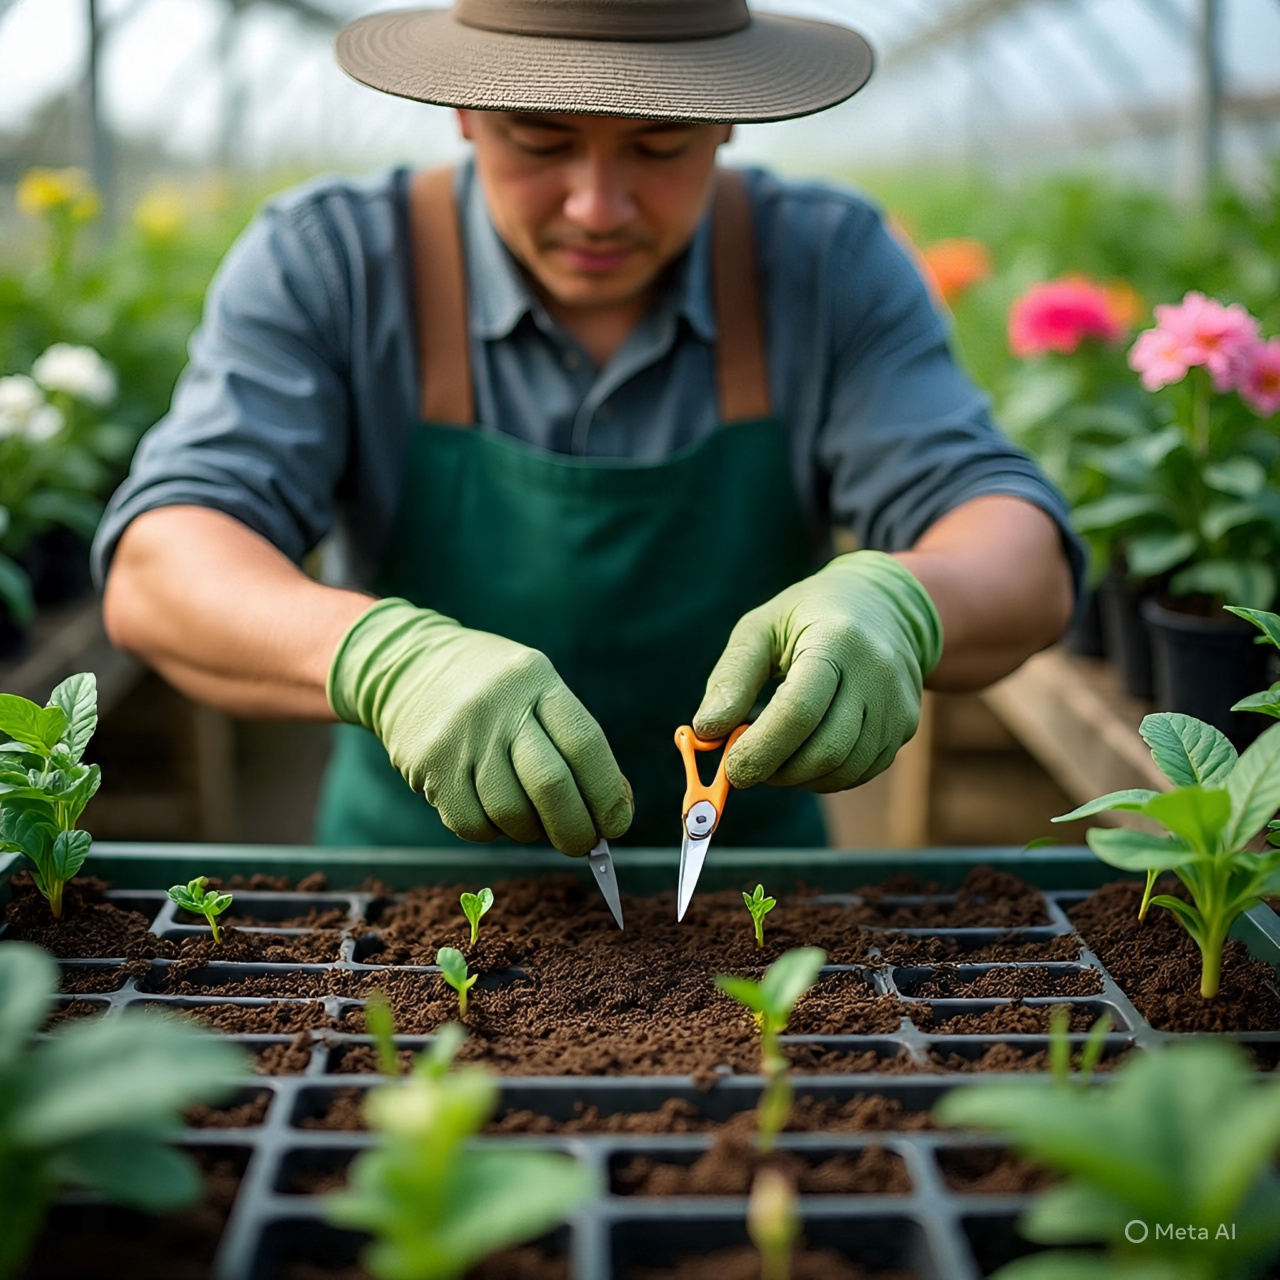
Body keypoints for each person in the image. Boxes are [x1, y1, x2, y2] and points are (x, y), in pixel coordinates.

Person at [93, 0, 1081, 858]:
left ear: (727, 121)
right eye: (539, 140)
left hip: (751, 898)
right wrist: (382, 660)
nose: (597, 207)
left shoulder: (826, 262)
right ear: (464, 111)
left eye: (659, 144)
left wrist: (905, 602)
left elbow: (1019, 553)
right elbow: (160, 566)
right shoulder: (334, 262)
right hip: (412, 889)